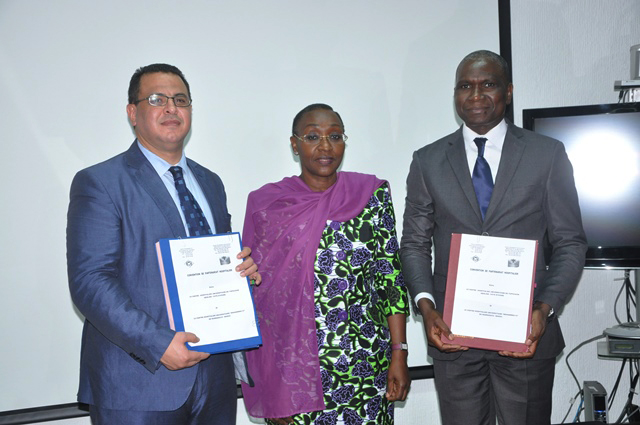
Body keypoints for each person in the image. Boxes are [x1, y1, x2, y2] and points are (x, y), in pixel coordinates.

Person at [400, 50, 587, 425]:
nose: (475, 95)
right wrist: (426, 307)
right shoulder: (428, 160)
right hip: (452, 336)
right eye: (465, 86)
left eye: (488, 84)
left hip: (526, 337)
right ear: (454, 94)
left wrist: (544, 308)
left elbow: (570, 242)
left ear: (509, 91)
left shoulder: (547, 154)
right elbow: (414, 244)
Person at [66, 63, 260, 424]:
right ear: (133, 113)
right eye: (157, 99)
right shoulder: (100, 182)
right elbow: (90, 282)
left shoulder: (210, 183)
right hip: (138, 383)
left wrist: (242, 271)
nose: (172, 108)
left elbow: (216, 264)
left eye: (181, 99)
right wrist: (157, 343)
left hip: (215, 379)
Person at [240, 103, 410, 424]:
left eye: (334, 136)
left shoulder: (371, 195)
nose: (325, 146)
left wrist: (399, 352)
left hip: (365, 366)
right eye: (312, 136)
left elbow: (391, 278)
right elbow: (260, 300)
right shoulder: (269, 205)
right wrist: (271, 388)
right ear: (294, 144)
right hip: (296, 374)